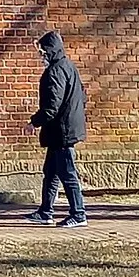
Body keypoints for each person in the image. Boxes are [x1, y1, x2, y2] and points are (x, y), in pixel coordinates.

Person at [29, 29, 88, 226]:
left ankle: (78, 214)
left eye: (43, 52)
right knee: (51, 172)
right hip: (61, 130)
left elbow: (52, 105)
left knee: (68, 174)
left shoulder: (55, 71)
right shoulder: (69, 67)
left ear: (50, 50)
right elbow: (82, 95)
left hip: (62, 131)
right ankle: (46, 211)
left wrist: (34, 122)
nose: (41, 56)